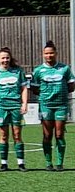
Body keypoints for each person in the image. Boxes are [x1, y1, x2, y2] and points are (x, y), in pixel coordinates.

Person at [31, 41, 75, 170]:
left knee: (60, 134)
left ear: (56, 53)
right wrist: (47, 93)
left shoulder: (65, 69)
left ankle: (60, 163)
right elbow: (34, 88)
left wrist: (60, 91)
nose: (49, 55)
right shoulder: (39, 71)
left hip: (61, 105)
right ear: (43, 55)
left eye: (51, 53)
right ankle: (48, 163)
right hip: (46, 105)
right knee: (47, 135)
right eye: (46, 53)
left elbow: (71, 85)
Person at [0, 47, 28, 171]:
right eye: (3, 58)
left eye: (7, 57)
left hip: (15, 106)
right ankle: (4, 163)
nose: (5, 60)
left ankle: (21, 163)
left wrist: (24, 104)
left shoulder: (18, 71)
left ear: (10, 58)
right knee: (3, 135)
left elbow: (24, 89)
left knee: (17, 135)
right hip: (1, 107)